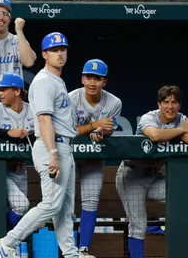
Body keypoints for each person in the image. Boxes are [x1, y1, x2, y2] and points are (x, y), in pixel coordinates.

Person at [0, 32, 78, 258]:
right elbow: (43, 119)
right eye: (54, 50)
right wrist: (53, 154)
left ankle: (71, 254)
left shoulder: (57, 80)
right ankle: (7, 243)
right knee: (50, 204)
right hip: (53, 147)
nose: (59, 53)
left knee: (64, 209)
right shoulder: (43, 81)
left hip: (63, 146)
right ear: (44, 55)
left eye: (62, 49)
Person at [116, 85, 188, 258]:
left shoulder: (182, 118)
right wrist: (180, 131)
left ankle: (183, 247)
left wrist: (174, 132)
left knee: (184, 199)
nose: (170, 106)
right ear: (159, 104)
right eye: (166, 102)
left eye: (174, 102)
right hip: (132, 175)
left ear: (179, 105)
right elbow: (155, 135)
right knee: (138, 225)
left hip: (153, 176)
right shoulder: (149, 117)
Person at [70, 59, 122, 257]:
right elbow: (70, 130)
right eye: (89, 77)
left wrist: (101, 131)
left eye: (97, 79)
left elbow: (109, 129)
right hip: (70, 156)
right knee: (63, 202)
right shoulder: (71, 98)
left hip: (93, 158)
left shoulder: (114, 102)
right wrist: (94, 125)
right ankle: (66, 249)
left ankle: (83, 249)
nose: (92, 82)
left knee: (91, 201)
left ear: (104, 82)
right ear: (82, 79)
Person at [0, 72, 34, 229]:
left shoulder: (33, 110)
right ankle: (1, 240)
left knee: (20, 212)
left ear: (17, 91)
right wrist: (8, 133)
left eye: (4, 89)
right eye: (0, 89)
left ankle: (4, 246)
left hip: (20, 170)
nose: (0, 93)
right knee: (22, 206)